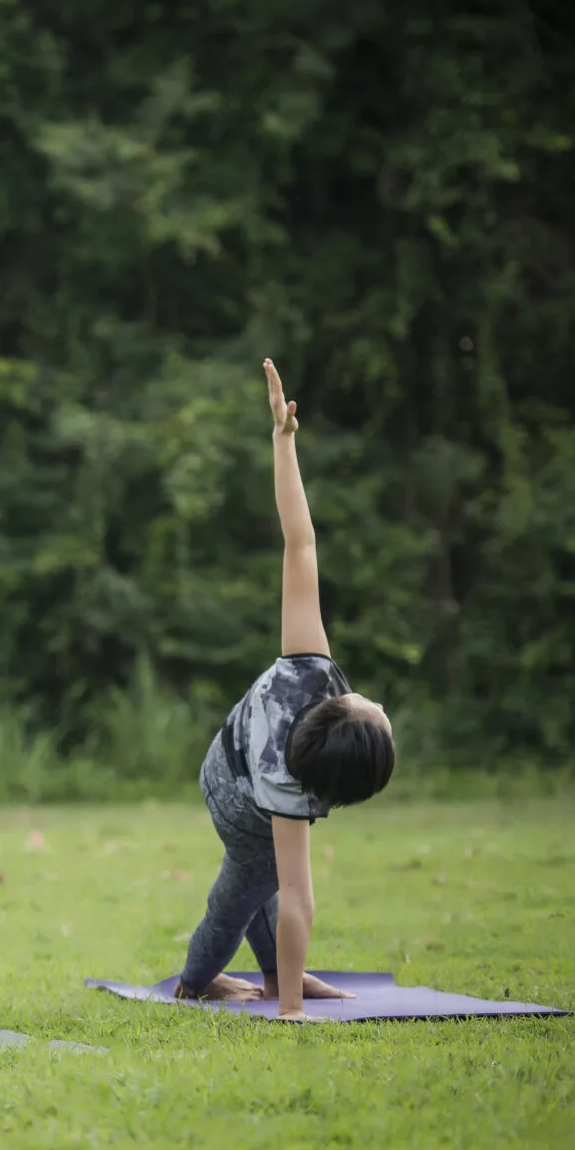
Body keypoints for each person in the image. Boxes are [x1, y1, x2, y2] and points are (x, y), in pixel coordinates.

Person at [176, 360, 397, 1020]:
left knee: (269, 880)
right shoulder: (290, 780)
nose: (380, 704)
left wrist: (283, 440)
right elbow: (299, 543)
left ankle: (280, 975)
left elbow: (302, 546)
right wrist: (294, 1012)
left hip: (242, 765)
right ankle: (197, 980)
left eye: (376, 714)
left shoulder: (311, 677)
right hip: (231, 785)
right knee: (245, 891)